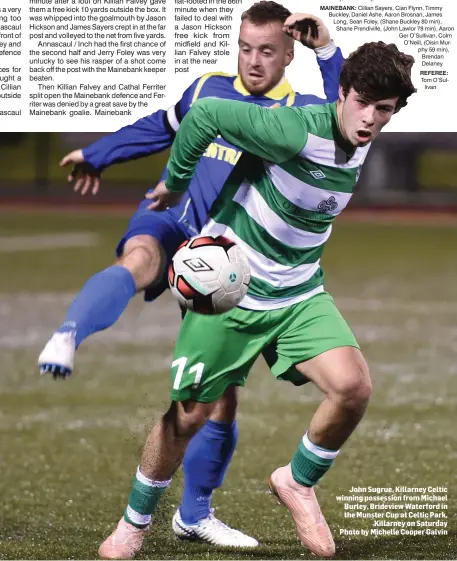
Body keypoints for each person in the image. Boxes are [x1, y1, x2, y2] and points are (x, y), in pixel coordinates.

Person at [38, 2, 345, 548]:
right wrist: (99, 153)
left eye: (267, 51)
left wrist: (329, 50)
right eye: (245, 48)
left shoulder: (300, 114)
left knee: (218, 399)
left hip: (225, 255)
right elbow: (162, 126)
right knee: (136, 259)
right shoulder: (208, 87)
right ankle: (69, 333)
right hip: (175, 218)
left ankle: (194, 514)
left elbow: (349, 109)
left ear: (288, 52)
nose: (253, 61)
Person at [97, 41, 416, 559]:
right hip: (233, 293)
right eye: (364, 104)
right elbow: (205, 115)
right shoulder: (293, 130)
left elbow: (353, 86)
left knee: (353, 388)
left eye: (385, 111)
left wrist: (330, 45)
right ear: (344, 95)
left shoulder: (361, 120)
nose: (371, 120)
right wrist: (175, 185)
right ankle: (134, 524)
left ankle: (297, 481)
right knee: (189, 416)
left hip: (299, 293)